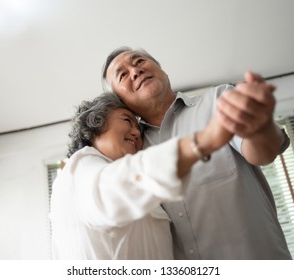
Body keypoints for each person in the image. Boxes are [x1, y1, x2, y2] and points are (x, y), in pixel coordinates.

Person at [101, 46, 293, 260]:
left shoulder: (219, 101)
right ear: (119, 101)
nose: (135, 71)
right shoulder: (133, 155)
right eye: (123, 75)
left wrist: (260, 127)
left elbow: (263, 154)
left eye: (139, 62)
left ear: (162, 70)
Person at [50, 92, 232, 259]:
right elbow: (111, 191)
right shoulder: (80, 167)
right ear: (97, 123)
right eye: (127, 121)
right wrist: (200, 143)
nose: (137, 133)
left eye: (138, 128)